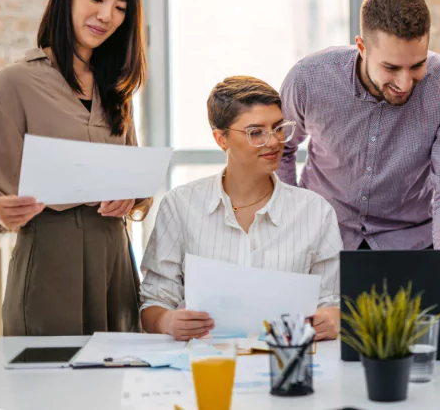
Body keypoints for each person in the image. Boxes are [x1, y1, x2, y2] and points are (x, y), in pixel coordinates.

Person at [0, 0, 150, 336]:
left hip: (116, 266)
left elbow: (137, 181)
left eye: (121, 8)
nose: (107, 15)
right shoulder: (15, 83)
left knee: (115, 390)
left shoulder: (116, 90)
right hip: (48, 268)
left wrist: (131, 195)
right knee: (46, 392)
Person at [277, 0, 440, 250]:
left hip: (409, 242)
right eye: (391, 67)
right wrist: (290, 222)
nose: (405, 83)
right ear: (361, 47)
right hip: (322, 235)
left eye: (417, 65)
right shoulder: (309, 79)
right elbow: (280, 148)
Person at [140, 76, 343, 341]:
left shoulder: (315, 212)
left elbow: (331, 301)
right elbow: (154, 302)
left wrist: (330, 319)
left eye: (278, 127)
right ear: (221, 139)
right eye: (255, 132)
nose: (273, 142)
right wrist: (168, 322)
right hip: (202, 365)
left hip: (286, 364)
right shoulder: (180, 205)